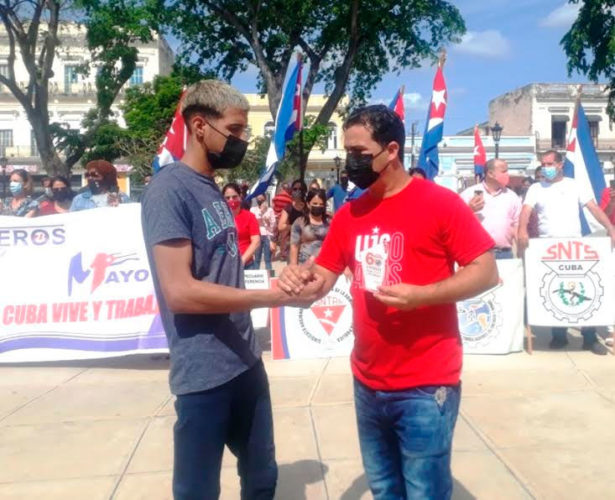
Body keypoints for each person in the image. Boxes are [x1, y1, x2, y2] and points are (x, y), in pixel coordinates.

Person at [279, 104, 498, 499]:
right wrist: (299, 280)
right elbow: (323, 278)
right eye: (348, 152)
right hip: (368, 381)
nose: (351, 161)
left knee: (424, 492)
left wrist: (423, 295)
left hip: (426, 386)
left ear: (391, 150)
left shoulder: (440, 203)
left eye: (360, 152)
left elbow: (486, 271)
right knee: (384, 490)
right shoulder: (349, 215)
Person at [141, 80, 321, 500]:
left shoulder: (213, 190)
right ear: (200, 126)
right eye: (236, 130)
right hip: (203, 372)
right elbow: (181, 293)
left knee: (262, 477)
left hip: (245, 362)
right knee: (198, 490)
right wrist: (274, 296)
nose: (242, 141)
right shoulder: (169, 191)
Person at [518, 150, 615, 355]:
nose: (546, 168)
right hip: (548, 247)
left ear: (560, 164)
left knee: (584, 287)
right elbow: (526, 210)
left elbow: (593, 208)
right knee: (554, 288)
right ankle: (559, 336)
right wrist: (522, 230)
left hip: (575, 246)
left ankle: (589, 338)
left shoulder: (574, 185)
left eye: (550, 163)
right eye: (543, 164)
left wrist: (610, 227)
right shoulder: (536, 188)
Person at [460, 158, 521, 259]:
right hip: (478, 254)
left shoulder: (511, 196)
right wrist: (469, 210)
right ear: (490, 173)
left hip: (504, 254)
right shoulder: (469, 194)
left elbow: (517, 224)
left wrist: (521, 252)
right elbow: (454, 221)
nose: (507, 174)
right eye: (503, 171)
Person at [223, 182, 261, 269]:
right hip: (225, 266)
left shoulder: (250, 217)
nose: (231, 200)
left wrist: (242, 261)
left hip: (246, 265)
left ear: (240, 197)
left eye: (234, 197)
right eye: (227, 198)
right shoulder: (219, 219)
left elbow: (256, 241)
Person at [289, 188, 330, 265]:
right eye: (315, 203)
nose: (318, 206)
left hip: (325, 265)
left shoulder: (330, 222)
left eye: (321, 204)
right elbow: (294, 245)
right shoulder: (299, 222)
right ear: (308, 204)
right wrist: (293, 266)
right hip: (304, 264)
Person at [277, 179, 307, 260]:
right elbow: (281, 226)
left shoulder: (308, 207)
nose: (298, 191)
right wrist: (295, 226)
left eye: (300, 189)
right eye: (295, 189)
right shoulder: (288, 208)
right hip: (293, 244)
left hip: (307, 244)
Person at [251, 194, 276, 271]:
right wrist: (261, 214)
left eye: (261, 198)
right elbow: (252, 222)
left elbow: (273, 225)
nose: (260, 200)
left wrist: (267, 221)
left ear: (265, 198)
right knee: (257, 258)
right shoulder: (253, 210)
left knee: (268, 258)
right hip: (257, 235)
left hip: (267, 236)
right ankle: (255, 276)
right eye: (258, 198)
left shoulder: (270, 210)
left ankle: (270, 276)